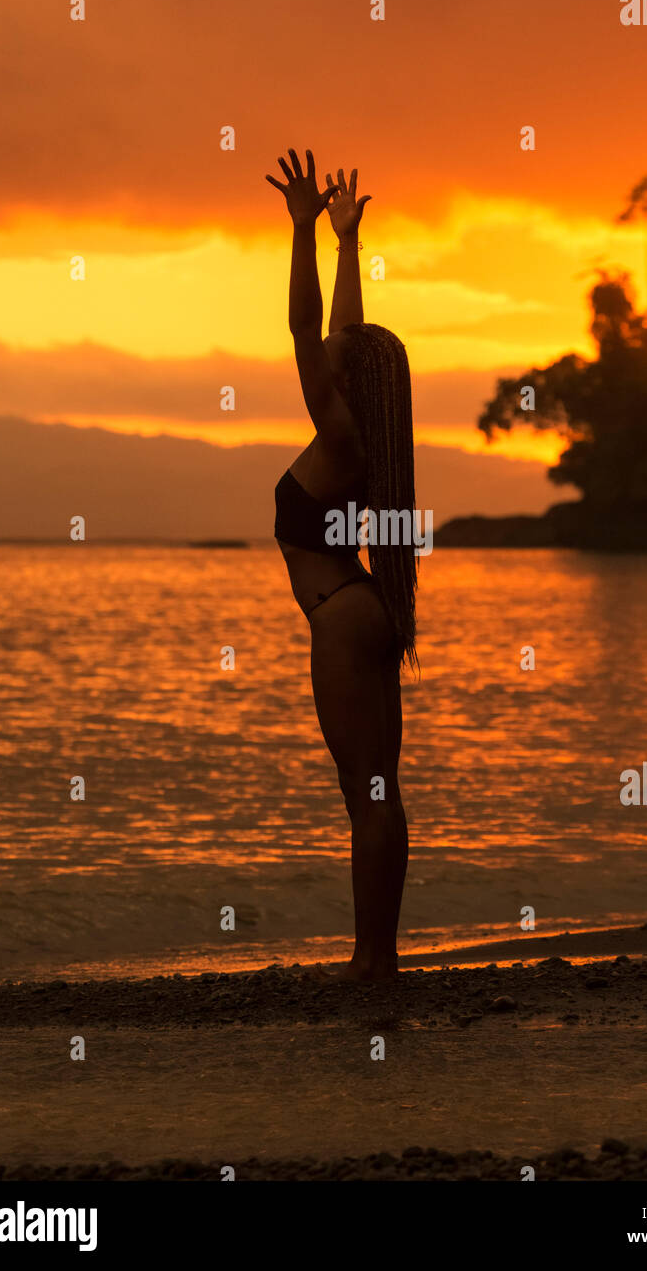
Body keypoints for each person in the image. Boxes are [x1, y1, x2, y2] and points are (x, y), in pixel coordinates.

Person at [266, 148, 418, 981]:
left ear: (347, 382)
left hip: (342, 614)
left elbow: (303, 328)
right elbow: (343, 339)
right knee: (377, 788)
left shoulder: (340, 432)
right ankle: (379, 954)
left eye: (337, 358)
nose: (325, 352)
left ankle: (371, 959)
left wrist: (299, 233)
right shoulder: (371, 436)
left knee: (366, 789)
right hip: (363, 609)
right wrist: (347, 242)